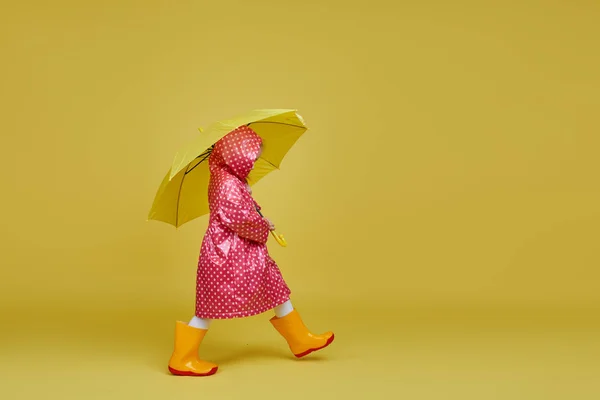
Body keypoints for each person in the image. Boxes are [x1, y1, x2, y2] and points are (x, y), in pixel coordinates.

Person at [167, 125, 334, 376]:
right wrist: (262, 227)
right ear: (236, 156)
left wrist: (258, 215)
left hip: (241, 251)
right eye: (251, 158)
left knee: (275, 285)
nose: (254, 163)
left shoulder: (231, 180)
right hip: (228, 253)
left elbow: (242, 212)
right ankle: (183, 356)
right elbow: (239, 219)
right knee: (209, 306)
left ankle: (300, 338)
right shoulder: (227, 184)